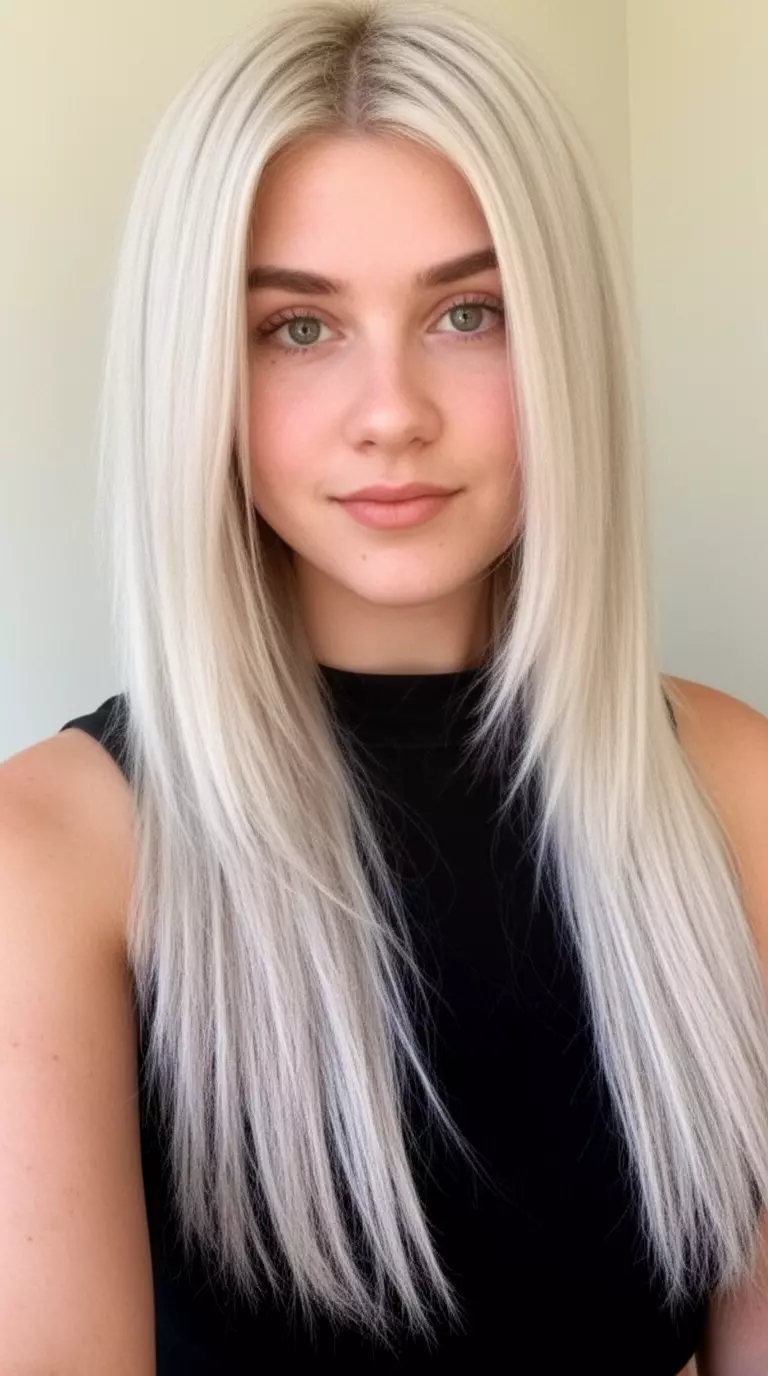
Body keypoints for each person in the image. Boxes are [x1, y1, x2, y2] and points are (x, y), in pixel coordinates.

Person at [1, 0, 767, 1370]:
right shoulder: (52, 856)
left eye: (468, 312)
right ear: (202, 374)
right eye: (298, 329)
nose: (391, 409)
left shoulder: (736, 790)